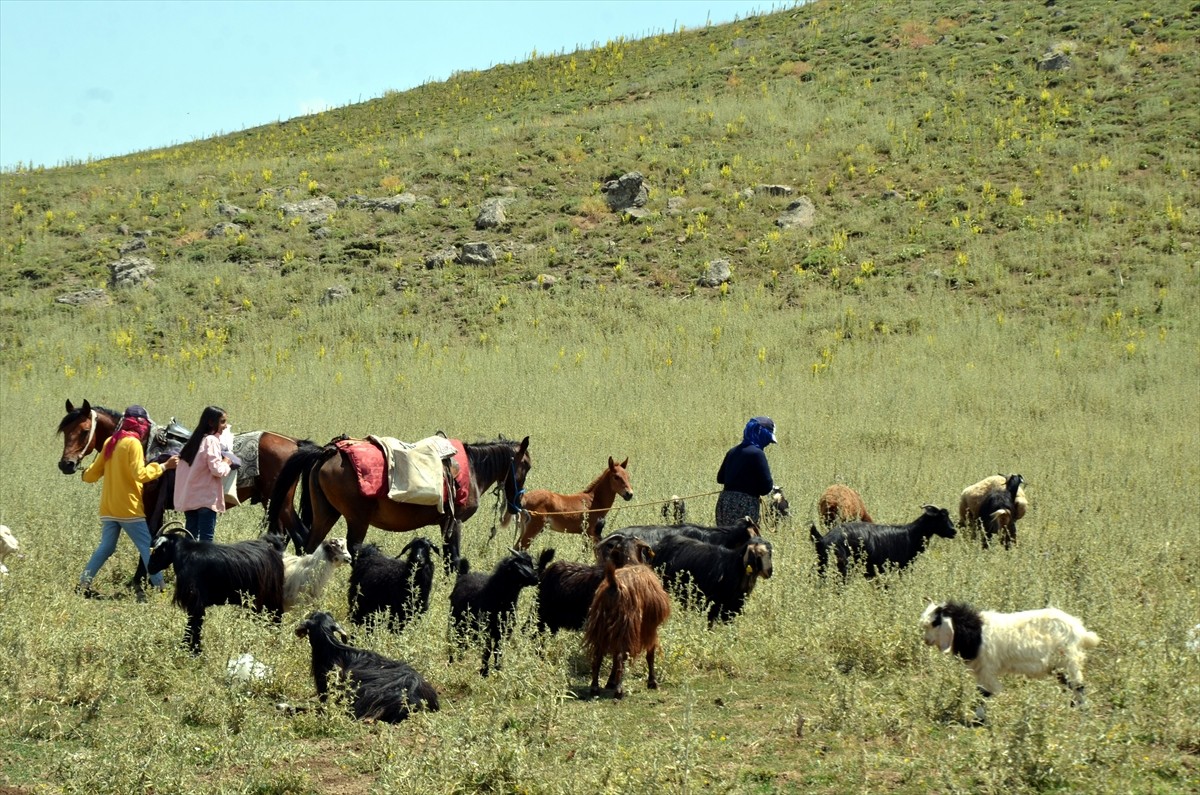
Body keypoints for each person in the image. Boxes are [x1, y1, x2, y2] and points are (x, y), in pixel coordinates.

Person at [79, 405, 177, 598]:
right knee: (147, 548)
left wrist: (83, 474)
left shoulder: (110, 442)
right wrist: (164, 466)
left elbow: (91, 475)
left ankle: (83, 584)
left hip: (108, 508)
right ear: (140, 425)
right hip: (129, 509)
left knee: (106, 548)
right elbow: (140, 474)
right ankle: (162, 590)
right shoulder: (133, 444)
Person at [173, 405, 233, 543]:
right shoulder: (211, 440)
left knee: (190, 541)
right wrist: (227, 462)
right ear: (211, 423)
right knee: (206, 542)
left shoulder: (193, 442)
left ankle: (188, 564)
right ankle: (205, 565)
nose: (225, 426)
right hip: (205, 500)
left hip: (190, 499)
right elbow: (216, 470)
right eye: (222, 421)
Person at [715, 416, 777, 526]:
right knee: (744, 541)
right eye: (768, 439)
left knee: (725, 540)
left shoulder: (732, 451)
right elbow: (766, 488)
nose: (767, 444)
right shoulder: (757, 454)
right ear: (762, 435)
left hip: (724, 503)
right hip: (745, 504)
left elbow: (720, 479)